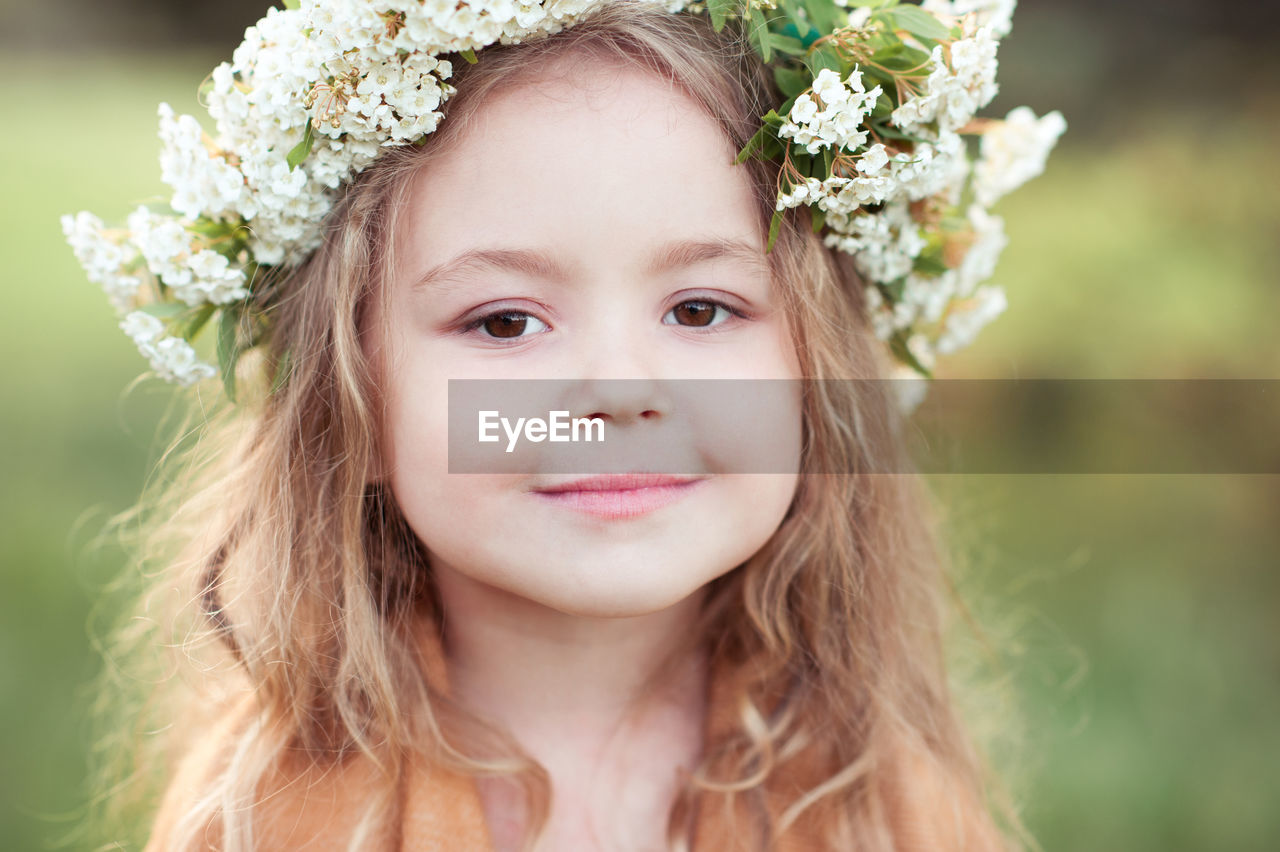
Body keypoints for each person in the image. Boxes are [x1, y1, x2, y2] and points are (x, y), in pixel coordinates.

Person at [65, 1, 1064, 849]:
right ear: (355, 411)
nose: (618, 391)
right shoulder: (265, 818)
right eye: (504, 321)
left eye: (699, 309)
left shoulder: (883, 810)